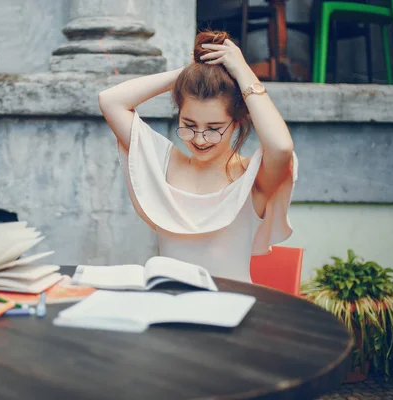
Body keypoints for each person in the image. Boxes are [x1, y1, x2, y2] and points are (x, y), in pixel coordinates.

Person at [98, 30, 298, 283]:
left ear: (236, 124)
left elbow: (281, 147)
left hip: (231, 309)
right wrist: (191, 72)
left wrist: (241, 71)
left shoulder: (252, 179)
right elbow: (110, 101)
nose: (200, 139)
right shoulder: (165, 164)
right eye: (189, 124)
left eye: (214, 128)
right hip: (169, 307)